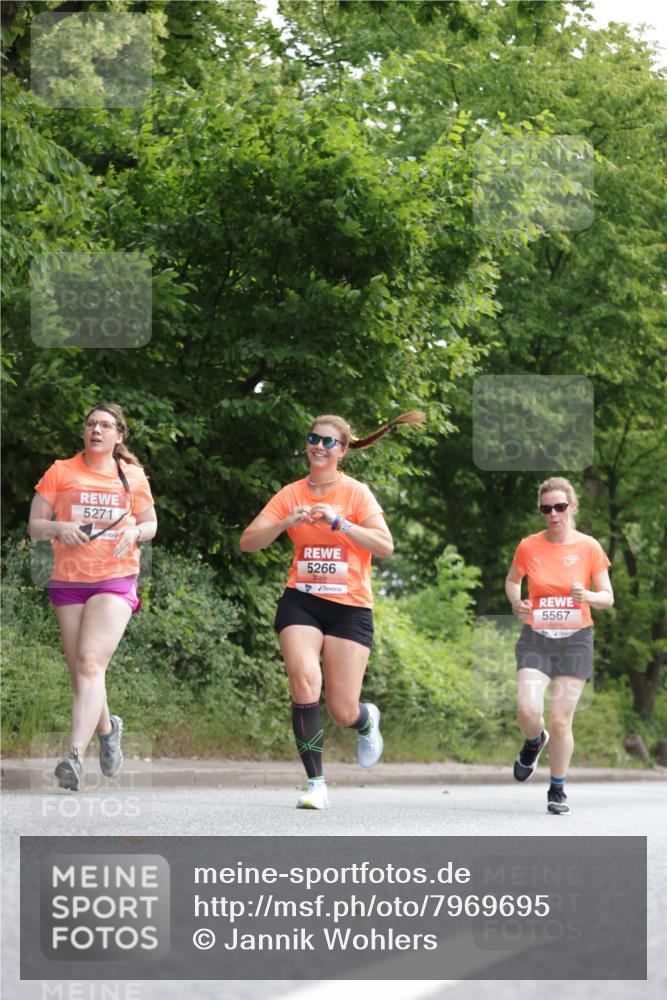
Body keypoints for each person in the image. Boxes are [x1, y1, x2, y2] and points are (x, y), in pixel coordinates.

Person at [240, 411, 423, 809]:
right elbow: (248, 541)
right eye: (313, 439)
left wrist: (341, 523)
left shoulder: (356, 493)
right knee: (305, 682)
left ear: (342, 451)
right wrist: (284, 521)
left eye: (327, 442)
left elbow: (385, 545)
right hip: (301, 601)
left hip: (349, 608)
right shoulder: (291, 493)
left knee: (342, 710)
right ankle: (316, 784)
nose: (318, 446)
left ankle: (365, 720)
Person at [28, 404, 157, 791]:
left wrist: (136, 533)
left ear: (119, 435)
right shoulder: (60, 471)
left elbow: (151, 523)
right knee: (83, 673)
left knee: (89, 661)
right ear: (84, 432)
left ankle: (73, 756)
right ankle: (108, 727)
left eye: (105, 425)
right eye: (90, 424)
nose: (96, 430)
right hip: (69, 580)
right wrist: (59, 526)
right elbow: (35, 526)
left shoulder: (131, 476)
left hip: (115, 578)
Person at [505, 476, 613, 814]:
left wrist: (587, 596)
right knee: (528, 711)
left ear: (572, 507)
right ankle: (534, 741)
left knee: (560, 719)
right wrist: (516, 602)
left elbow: (607, 598)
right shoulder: (528, 546)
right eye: (546, 509)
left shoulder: (590, 547)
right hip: (536, 636)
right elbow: (512, 580)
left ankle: (557, 789)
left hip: (575, 641)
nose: (554, 514)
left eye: (560, 507)